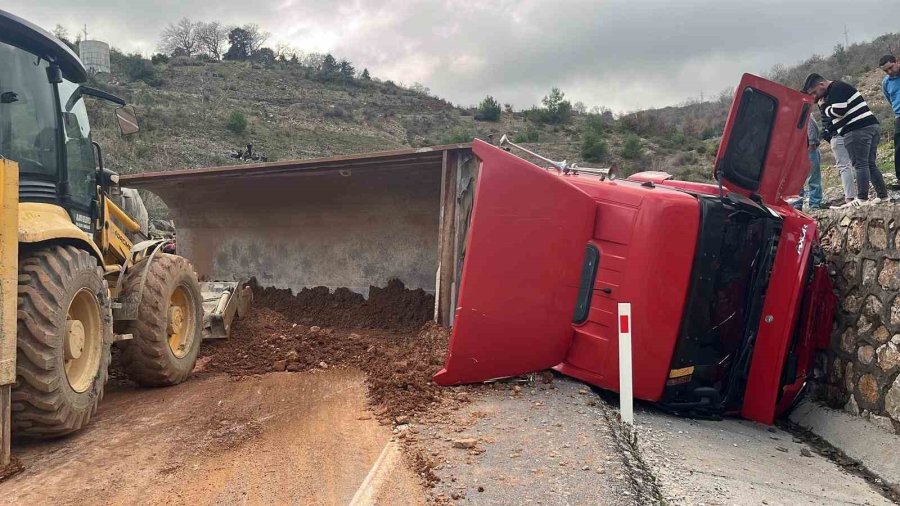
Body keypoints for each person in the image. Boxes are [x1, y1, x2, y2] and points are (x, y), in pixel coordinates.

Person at [802, 73, 887, 207]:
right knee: (870, 164)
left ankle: (862, 199)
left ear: (821, 85)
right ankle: (883, 196)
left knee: (860, 164)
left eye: (814, 92)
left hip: (857, 129)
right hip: (870, 126)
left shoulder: (836, 88)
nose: (814, 96)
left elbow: (839, 111)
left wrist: (824, 107)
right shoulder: (837, 88)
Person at [820, 107, 856, 205]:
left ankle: (850, 197)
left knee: (844, 166)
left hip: (838, 135)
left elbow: (826, 124)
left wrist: (830, 136)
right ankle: (862, 195)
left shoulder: (825, 102)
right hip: (852, 132)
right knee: (860, 163)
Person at [879, 54, 900, 188]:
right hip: (899, 116)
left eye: (890, 68)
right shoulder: (886, 82)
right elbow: (889, 98)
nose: (889, 72)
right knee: (899, 148)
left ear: (897, 61)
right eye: (886, 71)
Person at [794, 113, 822, 210]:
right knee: (797, 179)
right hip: (797, 149)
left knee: (813, 178)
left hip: (808, 147)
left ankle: (814, 204)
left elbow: (811, 125)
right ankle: (798, 204)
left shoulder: (803, 111)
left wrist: (812, 142)